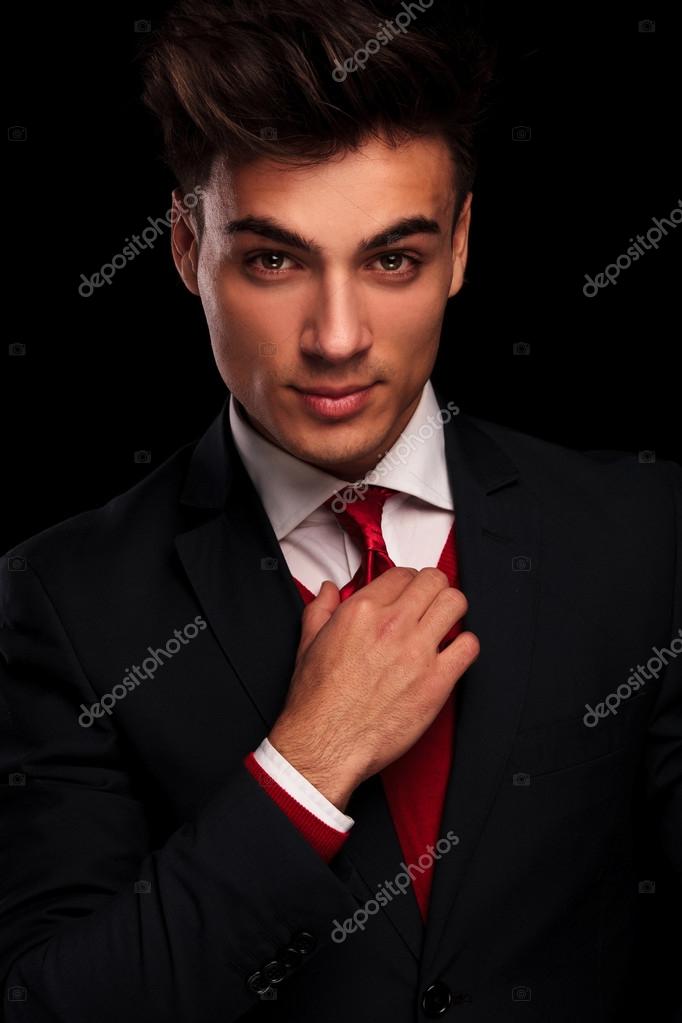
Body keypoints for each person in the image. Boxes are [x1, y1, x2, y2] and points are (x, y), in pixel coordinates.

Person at [1, 1, 680, 1020]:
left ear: (458, 247)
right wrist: (306, 763)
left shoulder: (644, 532)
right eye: (274, 260)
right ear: (188, 248)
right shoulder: (62, 597)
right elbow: (57, 1005)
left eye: (390, 260)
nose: (335, 337)